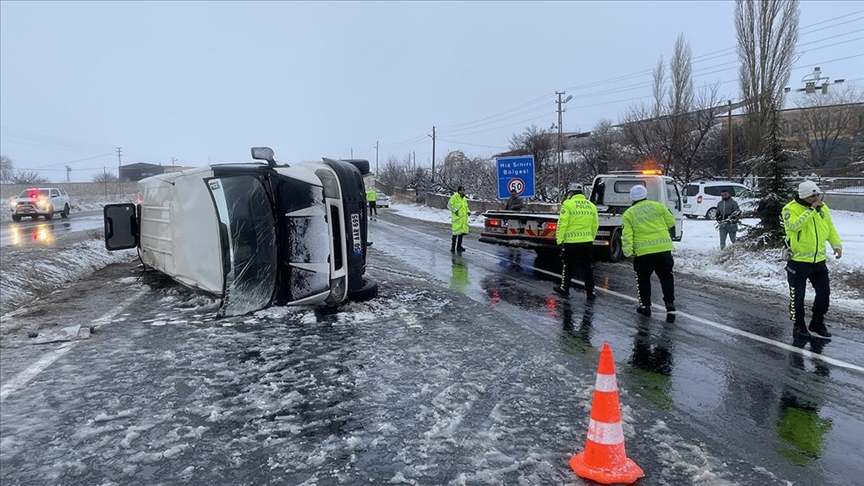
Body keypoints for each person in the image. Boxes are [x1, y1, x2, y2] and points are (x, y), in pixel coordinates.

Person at [782, 180, 842, 340]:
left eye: (818, 194)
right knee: (797, 297)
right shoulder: (790, 209)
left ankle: (817, 322)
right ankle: (798, 326)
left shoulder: (823, 208)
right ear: (804, 197)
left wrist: (837, 245)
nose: (817, 198)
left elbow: (829, 227)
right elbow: (794, 226)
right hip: (798, 261)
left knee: (824, 294)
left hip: (818, 261)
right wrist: (811, 210)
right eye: (812, 196)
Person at [621, 184, 676, 317]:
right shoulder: (659, 206)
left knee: (643, 280)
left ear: (632, 198)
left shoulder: (629, 213)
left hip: (643, 253)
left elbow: (627, 235)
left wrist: (627, 252)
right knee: (666, 277)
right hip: (663, 249)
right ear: (645, 194)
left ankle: (645, 306)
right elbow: (671, 222)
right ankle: (669, 303)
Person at [553, 183, 599, 300]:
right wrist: (591, 238)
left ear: (571, 192)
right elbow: (595, 225)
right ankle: (590, 292)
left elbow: (563, 223)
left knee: (568, 266)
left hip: (571, 242)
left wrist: (560, 239)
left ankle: (565, 288)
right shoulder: (591, 206)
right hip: (587, 242)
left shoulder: (568, 204)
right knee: (587, 267)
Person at [447, 186, 469, 253]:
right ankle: (453, 247)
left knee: (461, 233)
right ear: (458, 191)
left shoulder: (464, 198)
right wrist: (455, 211)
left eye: (463, 190)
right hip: (457, 218)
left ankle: (459, 246)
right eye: (461, 190)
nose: (462, 192)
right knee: (455, 233)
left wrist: (468, 211)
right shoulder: (454, 197)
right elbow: (449, 205)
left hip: (463, 219)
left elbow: (466, 206)